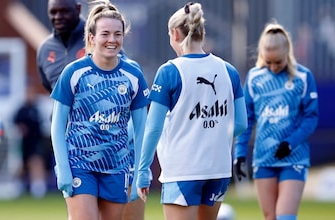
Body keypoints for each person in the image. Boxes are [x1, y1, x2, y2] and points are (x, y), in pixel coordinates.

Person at [136, 2, 247, 220]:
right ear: (202, 33)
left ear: (174, 34)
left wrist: (142, 170)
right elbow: (241, 123)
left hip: (183, 170)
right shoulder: (229, 71)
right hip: (218, 170)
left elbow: (153, 127)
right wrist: (211, 135)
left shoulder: (169, 72)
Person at [50, 1, 149, 219]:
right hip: (79, 165)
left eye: (117, 34)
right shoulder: (74, 72)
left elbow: (143, 130)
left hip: (117, 167)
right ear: (92, 38)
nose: (112, 40)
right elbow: (57, 125)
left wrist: (141, 170)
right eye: (105, 34)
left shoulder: (133, 75)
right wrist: (63, 168)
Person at [234, 21, 319, 220]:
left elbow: (311, 117)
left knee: (285, 217)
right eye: (268, 62)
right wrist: (239, 154)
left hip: (294, 157)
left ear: (287, 52)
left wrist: (290, 143)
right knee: (270, 217)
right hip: (264, 157)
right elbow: (246, 119)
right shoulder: (255, 78)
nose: (272, 67)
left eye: (278, 62)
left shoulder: (303, 77)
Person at [37, 0, 85, 93]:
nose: (58, 17)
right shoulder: (45, 49)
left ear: (78, 9)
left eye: (64, 11)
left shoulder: (99, 41)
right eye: (53, 12)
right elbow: (49, 87)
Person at [13, 86, 47, 198]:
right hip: (24, 142)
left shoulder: (36, 109)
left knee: (36, 162)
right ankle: (17, 185)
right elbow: (15, 123)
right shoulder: (21, 110)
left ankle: (38, 187)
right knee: (23, 165)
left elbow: (41, 125)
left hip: (36, 142)